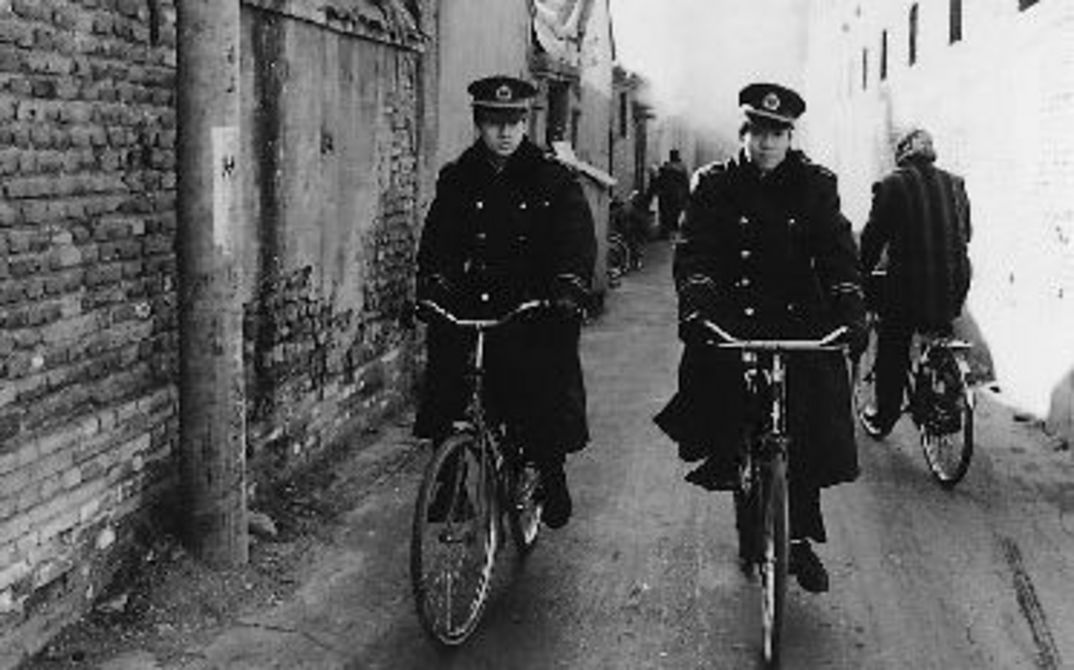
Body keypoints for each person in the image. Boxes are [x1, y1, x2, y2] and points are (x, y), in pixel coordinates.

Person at [653, 83, 868, 593]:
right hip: (734, 315)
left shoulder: (815, 184)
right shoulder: (715, 184)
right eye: (758, 132)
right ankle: (731, 461)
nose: (767, 143)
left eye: (777, 133)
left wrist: (850, 306)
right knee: (717, 390)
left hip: (799, 319)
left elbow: (837, 252)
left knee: (810, 414)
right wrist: (697, 303)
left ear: (790, 137)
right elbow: (695, 250)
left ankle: (800, 538)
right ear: (743, 133)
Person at [413, 75, 597, 528]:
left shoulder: (552, 178)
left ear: (524, 123)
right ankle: (450, 479)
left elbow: (575, 239)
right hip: (472, 300)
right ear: (479, 123)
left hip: (531, 303)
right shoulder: (459, 178)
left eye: (514, 122)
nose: (505, 132)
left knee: (543, 383)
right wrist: (433, 285)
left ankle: (550, 469)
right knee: (447, 377)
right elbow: (437, 242)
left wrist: (567, 288)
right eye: (495, 122)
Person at [858, 128, 973, 438]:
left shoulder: (892, 185)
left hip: (909, 286)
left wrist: (862, 274)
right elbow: (967, 233)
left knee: (893, 346)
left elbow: (873, 238)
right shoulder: (955, 183)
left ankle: (885, 415)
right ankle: (944, 392)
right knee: (939, 329)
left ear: (902, 154)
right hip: (954, 283)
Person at [650, 149, 690, 239]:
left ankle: (665, 233)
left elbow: (660, 181)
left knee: (666, 215)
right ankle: (673, 234)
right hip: (678, 196)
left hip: (666, 196)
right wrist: (686, 197)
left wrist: (656, 191)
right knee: (674, 215)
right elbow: (685, 184)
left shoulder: (666, 168)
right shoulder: (682, 168)